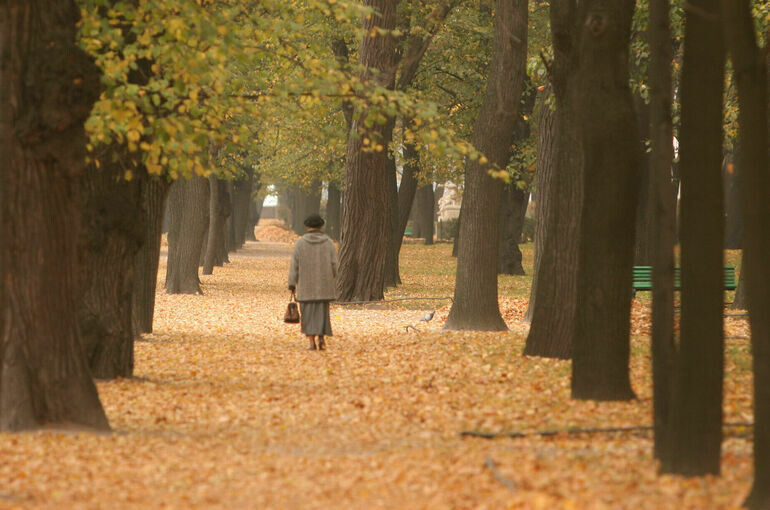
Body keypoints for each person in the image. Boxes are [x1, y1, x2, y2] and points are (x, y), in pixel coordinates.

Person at [288, 214, 338, 350]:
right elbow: (335, 264)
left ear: (307, 226)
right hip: (324, 285)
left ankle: (311, 342)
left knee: (307, 314)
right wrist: (332, 278)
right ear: (321, 226)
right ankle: (321, 338)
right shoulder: (328, 243)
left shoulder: (300, 243)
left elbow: (294, 265)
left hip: (306, 286)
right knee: (322, 313)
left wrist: (292, 283)